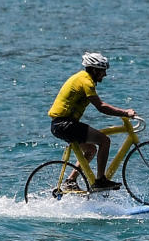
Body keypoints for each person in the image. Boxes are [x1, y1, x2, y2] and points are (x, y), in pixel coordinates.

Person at [48, 52, 136, 191]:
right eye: (103, 71)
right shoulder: (86, 81)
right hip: (65, 125)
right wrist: (125, 113)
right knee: (104, 141)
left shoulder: (81, 77)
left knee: (91, 149)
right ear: (94, 70)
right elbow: (101, 107)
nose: (105, 75)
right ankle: (100, 180)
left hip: (60, 125)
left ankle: (70, 181)